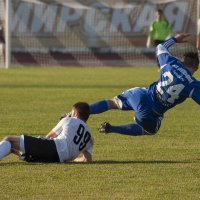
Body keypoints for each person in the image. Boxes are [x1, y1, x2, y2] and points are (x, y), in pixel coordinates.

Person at [90, 34, 200, 136]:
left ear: (182, 60)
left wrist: (175, 39)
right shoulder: (192, 84)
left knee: (112, 103)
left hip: (140, 94)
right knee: (149, 130)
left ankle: (78, 113)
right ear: (196, 68)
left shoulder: (170, 62)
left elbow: (160, 47)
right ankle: (112, 128)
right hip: (150, 113)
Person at [0, 102, 94, 163]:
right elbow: (87, 159)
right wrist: (71, 159)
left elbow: (49, 137)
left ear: (76, 113)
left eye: (72, 112)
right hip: (57, 159)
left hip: (52, 148)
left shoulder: (69, 120)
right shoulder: (90, 137)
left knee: (9, 140)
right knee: (12, 148)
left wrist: (63, 120)